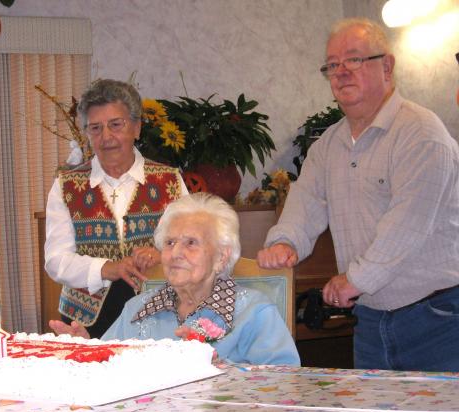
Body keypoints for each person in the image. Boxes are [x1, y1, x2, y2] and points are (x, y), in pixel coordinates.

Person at [258, 18, 459, 372]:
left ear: (387, 66)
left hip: (438, 320)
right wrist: (286, 241)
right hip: (369, 320)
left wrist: (355, 280)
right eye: (332, 65)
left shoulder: (422, 134)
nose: (341, 72)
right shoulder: (328, 145)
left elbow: (407, 226)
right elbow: (305, 200)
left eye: (354, 60)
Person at [50, 193, 300, 365]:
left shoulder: (254, 313)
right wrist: (89, 351)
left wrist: (221, 371)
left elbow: (284, 382)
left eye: (191, 243)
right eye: (170, 243)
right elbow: (111, 367)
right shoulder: (137, 310)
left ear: (222, 257)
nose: (176, 253)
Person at [46, 79, 188, 339]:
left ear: (136, 127)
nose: (106, 137)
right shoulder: (66, 186)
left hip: (158, 316)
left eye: (116, 125)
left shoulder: (170, 181)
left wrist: (162, 255)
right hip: (84, 325)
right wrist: (107, 268)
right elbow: (56, 261)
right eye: (96, 128)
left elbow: (192, 244)